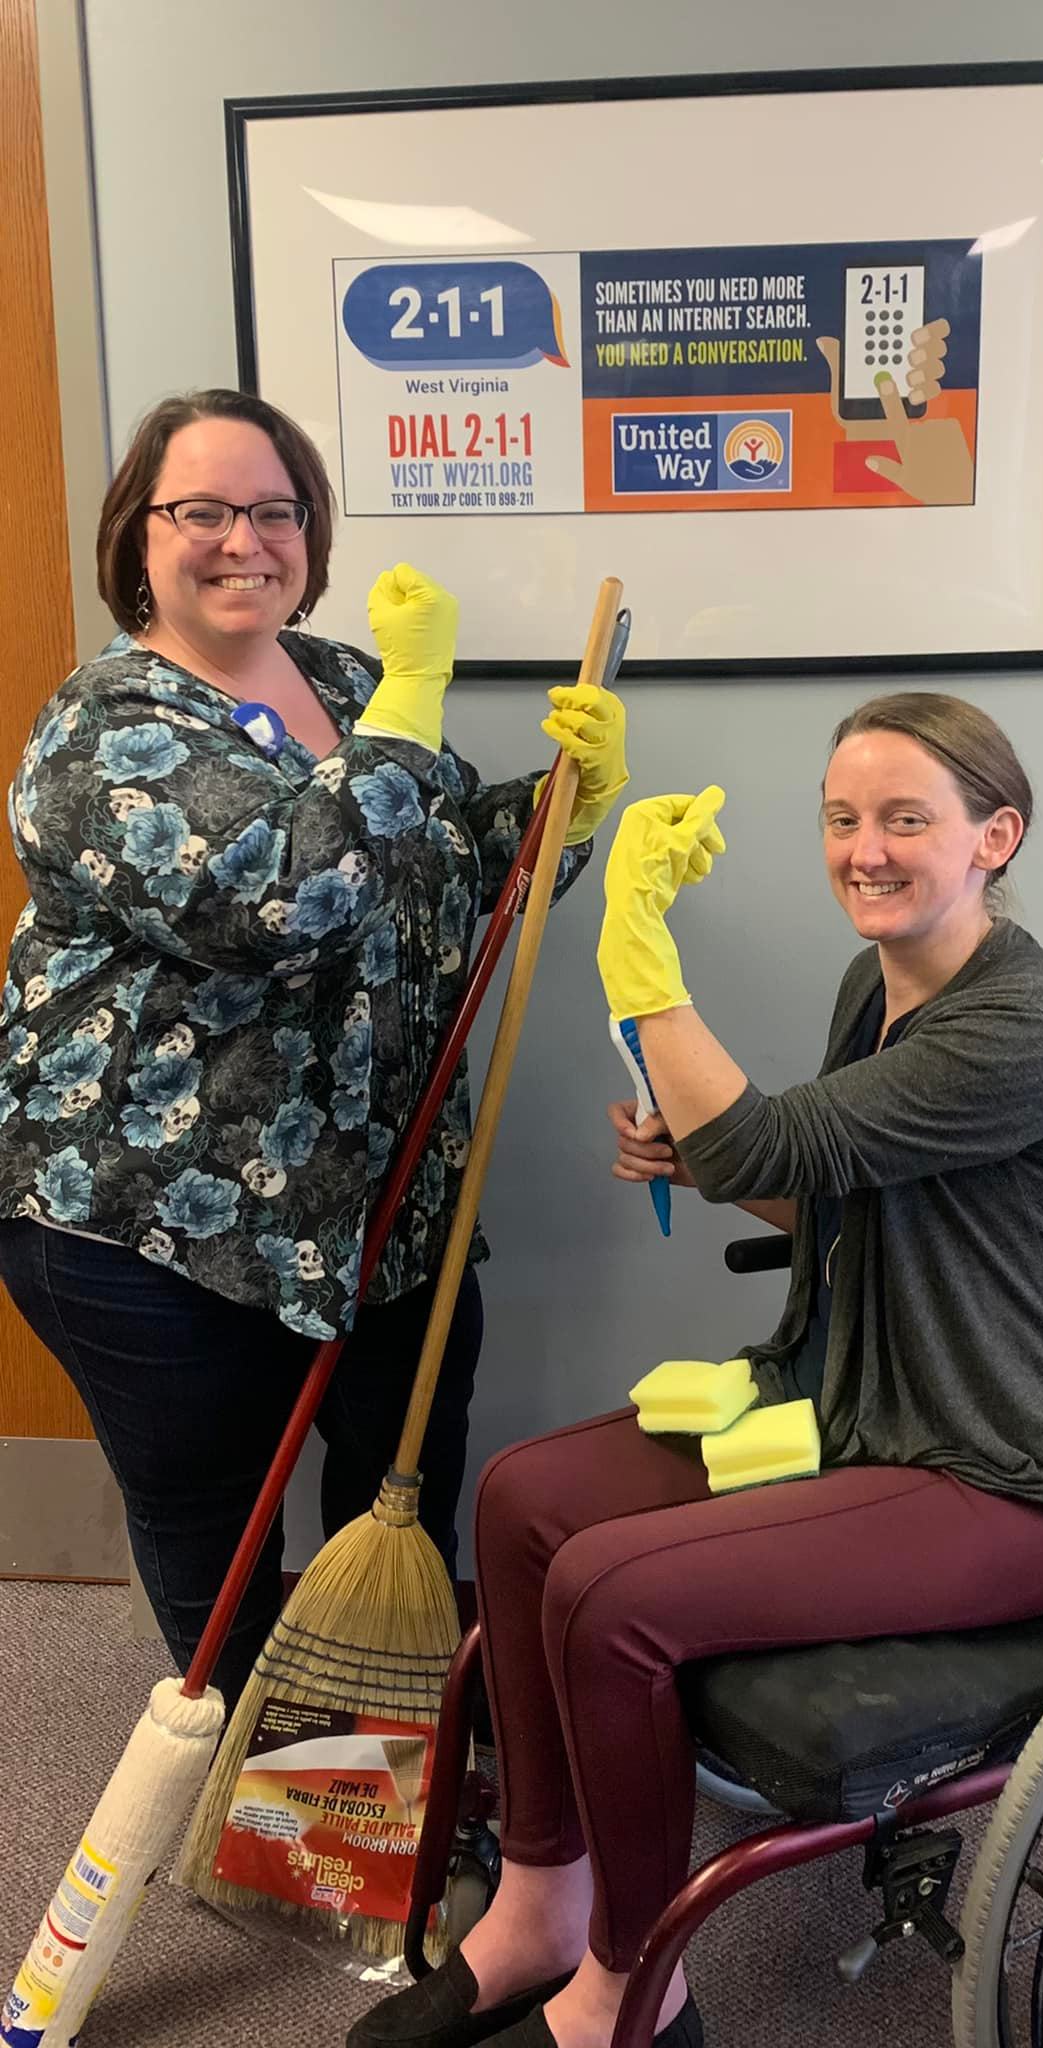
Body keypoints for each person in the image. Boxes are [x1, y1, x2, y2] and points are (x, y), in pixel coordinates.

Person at [349, 692, 1043, 2048]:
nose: (864, 850)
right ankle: (544, 1895)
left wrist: (638, 955)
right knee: (524, 1504)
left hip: (1006, 1471)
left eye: (906, 819)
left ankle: (627, 1986)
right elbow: (822, 1192)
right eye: (841, 819)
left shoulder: (1030, 1028)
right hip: (856, 1406)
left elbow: (772, 1147)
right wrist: (702, 1161)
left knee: (612, 1594)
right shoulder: (877, 985)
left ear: (992, 836)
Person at [0, 387, 629, 1710]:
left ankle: (359, 1764)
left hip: (380, 1217)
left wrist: (558, 810)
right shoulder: (104, 730)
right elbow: (283, 899)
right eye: (205, 510)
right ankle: (242, 1778)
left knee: (398, 1489)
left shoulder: (346, 680)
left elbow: (439, 886)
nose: (245, 540)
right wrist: (412, 701)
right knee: (220, 1532)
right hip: (153, 1233)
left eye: (274, 510)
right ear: (139, 532)